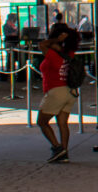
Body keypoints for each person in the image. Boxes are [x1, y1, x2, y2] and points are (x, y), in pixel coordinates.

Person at [36, 26, 80, 163]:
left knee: (42, 122)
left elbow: (42, 44)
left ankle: (57, 147)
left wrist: (55, 40)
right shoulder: (70, 54)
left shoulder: (53, 55)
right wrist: (58, 44)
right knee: (62, 123)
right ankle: (64, 152)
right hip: (70, 92)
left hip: (56, 91)